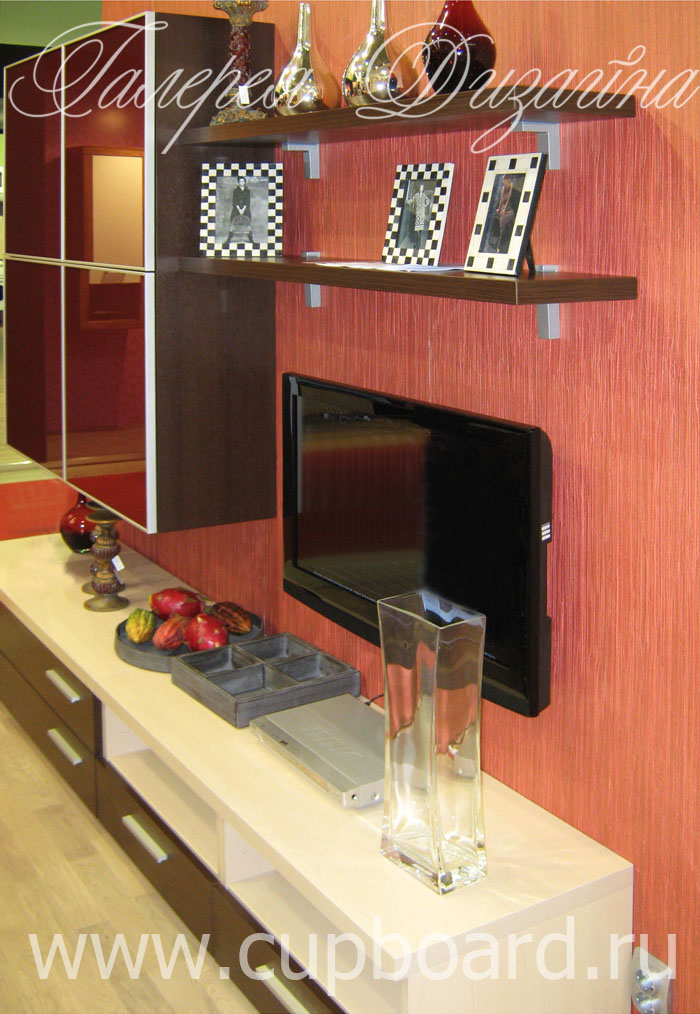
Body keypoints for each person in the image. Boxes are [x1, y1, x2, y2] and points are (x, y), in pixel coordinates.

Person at [405, 182, 433, 248]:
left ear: (423, 189)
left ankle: (418, 243)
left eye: (422, 188)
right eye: (420, 187)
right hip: (417, 213)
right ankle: (417, 243)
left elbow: (428, 201)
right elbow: (412, 200)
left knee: (420, 229)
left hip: (422, 213)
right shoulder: (416, 195)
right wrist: (408, 201)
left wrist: (424, 205)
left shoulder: (424, 195)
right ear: (419, 188)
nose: (421, 188)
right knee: (417, 229)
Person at [226, 175, 252, 243]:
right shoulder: (235, 191)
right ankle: (228, 239)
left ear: (245, 182)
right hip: (236, 208)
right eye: (240, 181)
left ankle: (251, 239)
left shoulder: (248, 191)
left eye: (243, 181)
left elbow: (247, 201)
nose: (242, 182)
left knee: (249, 221)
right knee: (232, 222)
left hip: (245, 208)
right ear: (238, 182)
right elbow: (234, 201)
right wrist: (239, 209)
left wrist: (243, 209)